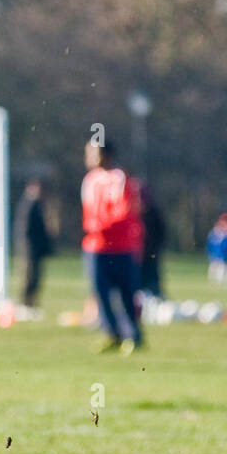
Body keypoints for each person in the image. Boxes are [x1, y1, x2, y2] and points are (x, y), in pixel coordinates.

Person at [81, 138, 143, 354]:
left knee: (127, 293)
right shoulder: (89, 180)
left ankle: (133, 336)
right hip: (95, 247)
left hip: (121, 247)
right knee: (101, 293)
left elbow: (125, 212)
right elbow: (88, 212)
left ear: (105, 155)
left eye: (92, 152)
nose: (88, 157)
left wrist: (102, 226)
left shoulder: (120, 179)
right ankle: (112, 334)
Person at [14, 178, 53, 311]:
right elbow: (25, 229)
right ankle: (25, 304)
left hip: (36, 250)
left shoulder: (38, 205)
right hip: (29, 249)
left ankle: (31, 304)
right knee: (28, 277)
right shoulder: (28, 205)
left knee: (35, 277)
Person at [138, 183, 167, 300]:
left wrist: (155, 248)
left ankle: (157, 299)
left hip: (150, 254)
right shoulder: (132, 213)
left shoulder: (153, 212)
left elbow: (161, 232)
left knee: (153, 281)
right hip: (135, 255)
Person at [206, 213, 227, 287]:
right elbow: (210, 246)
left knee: (226, 270)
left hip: (225, 256)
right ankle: (215, 284)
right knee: (214, 269)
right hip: (216, 256)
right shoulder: (213, 235)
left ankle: (225, 284)